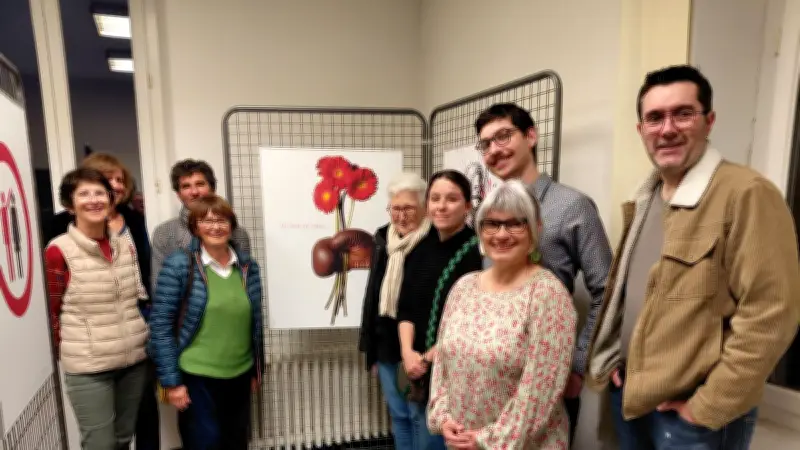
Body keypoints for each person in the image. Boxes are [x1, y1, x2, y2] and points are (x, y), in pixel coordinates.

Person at [586, 65, 800, 449]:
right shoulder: (645, 197)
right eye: (654, 118)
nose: (667, 129)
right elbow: (634, 299)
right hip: (631, 397)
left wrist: (706, 406)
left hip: (692, 418)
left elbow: (771, 315)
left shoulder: (746, 193)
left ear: (709, 121)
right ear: (641, 130)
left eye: (683, 113)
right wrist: (616, 361)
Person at [476, 103, 612, 443]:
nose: (495, 150)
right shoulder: (487, 210)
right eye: (486, 144)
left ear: (531, 136)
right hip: (491, 372)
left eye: (503, 136)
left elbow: (608, 291)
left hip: (544, 369)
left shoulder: (572, 206)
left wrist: (579, 364)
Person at [428, 180, 577, 449]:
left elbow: (539, 393)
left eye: (515, 223)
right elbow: (442, 365)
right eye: (492, 224)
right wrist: (443, 418)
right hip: (462, 441)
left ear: (535, 229)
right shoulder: (463, 287)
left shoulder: (547, 295)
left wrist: (486, 440)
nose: (501, 234)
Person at [44, 168, 149, 450]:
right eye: (84, 193)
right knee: (100, 444)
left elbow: (136, 296)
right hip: (89, 367)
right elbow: (52, 312)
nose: (94, 200)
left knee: (124, 439)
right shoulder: (59, 250)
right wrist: (66, 352)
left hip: (132, 361)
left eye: (100, 193)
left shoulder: (125, 247)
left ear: (111, 199)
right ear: (69, 204)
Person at [149, 195, 264, 449]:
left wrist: (256, 369)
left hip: (239, 373)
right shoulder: (180, 265)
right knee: (204, 443)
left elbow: (255, 323)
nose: (215, 227)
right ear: (195, 227)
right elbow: (161, 327)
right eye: (206, 220)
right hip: (197, 377)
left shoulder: (247, 267)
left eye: (222, 220)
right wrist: (172, 382)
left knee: (235, 442)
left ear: (231, 225)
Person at [396, 170, 483, 449]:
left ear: (468, 206)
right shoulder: (420, 246)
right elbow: (406, 307)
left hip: (451, 369)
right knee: (417, 430)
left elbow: (472, 320)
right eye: (435, 199)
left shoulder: (477, 253)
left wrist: (428, 359)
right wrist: (408, 353)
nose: (441, 206)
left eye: (451, 199)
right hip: (416, 366)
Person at [358, 172, 431, 450]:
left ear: (424, 207)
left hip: (421, 346)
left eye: (408, 208)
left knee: (419, 416)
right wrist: (370, 346)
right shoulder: (382, 239)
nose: (401, 216)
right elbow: (373, 293)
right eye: (395, 208)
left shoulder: (433, 242)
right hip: (386, 341)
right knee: (399, 415)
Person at [151, 159, 250, 293]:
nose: (194, 192)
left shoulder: (237, 233)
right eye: (186, 186)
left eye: (200, 184)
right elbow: (159, 288)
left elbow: (246, 282)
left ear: (212, 188)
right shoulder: (164, 233)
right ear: (178, 194)